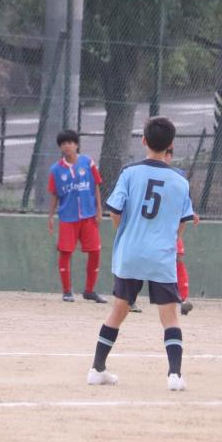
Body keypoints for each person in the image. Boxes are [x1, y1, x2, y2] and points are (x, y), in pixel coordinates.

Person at [87, 117, 194, 391]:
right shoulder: (180, 181)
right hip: (161, 256)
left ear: (144, 141)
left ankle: (97, 369)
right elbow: (183, 222)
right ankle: (174, 375)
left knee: (118, 312)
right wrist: (170, 237)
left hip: (130, 253)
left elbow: (115, 212)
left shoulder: (129, 173)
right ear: (171, 145)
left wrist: (127, 232)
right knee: (170, 317)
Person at [46, 129, 107, 303]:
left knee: (95, 251)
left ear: (76, 145)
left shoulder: (88, 162)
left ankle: (89, 291)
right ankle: (67, 291)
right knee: (65, 252)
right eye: (63, 144)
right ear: (60, 147)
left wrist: (99, 209)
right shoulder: (56, 170)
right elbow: (55, 194)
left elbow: (96, 185)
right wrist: (51, 216)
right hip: (68, 217)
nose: (67, 146)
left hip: (88, 215)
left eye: (70, 143)